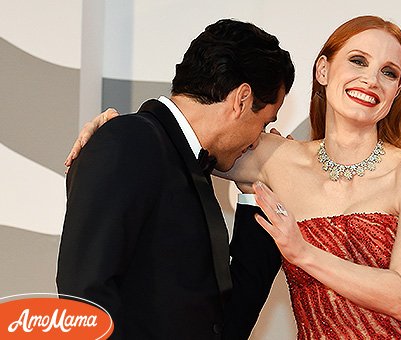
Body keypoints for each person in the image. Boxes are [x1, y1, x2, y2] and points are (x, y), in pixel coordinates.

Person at [67, 15, 401, 339]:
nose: (371, 80)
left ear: (397, 91)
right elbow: (184, 133)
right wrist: (114, 128)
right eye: (358, 61)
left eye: (389, 72)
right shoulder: (272, 158)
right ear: (324, 70)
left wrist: (303, 253)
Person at [57, 19, 294, 339]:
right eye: (263, 122)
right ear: (241, 100)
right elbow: (84, 298)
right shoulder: (128, 141)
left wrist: (257, 197)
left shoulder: (188, 164)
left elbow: (224, 323)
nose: (257, 140)